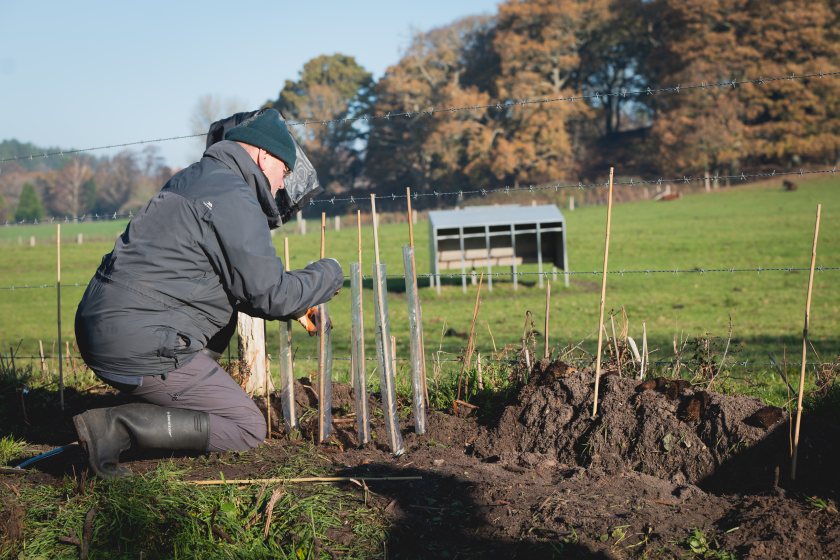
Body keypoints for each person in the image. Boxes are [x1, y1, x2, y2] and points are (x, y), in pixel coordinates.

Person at [73, 109, 343, 479]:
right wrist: (328, 273)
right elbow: (271, 295)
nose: (282, 185)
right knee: (246, 426)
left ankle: (153, 404)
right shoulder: (235, 197)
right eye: (284, 172)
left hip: (105, 325)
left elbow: (240, 286)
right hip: (138, 340)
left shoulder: (196, 179)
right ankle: (115, 428)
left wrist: (294, 305)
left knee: (220, 325)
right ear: (265, 156)